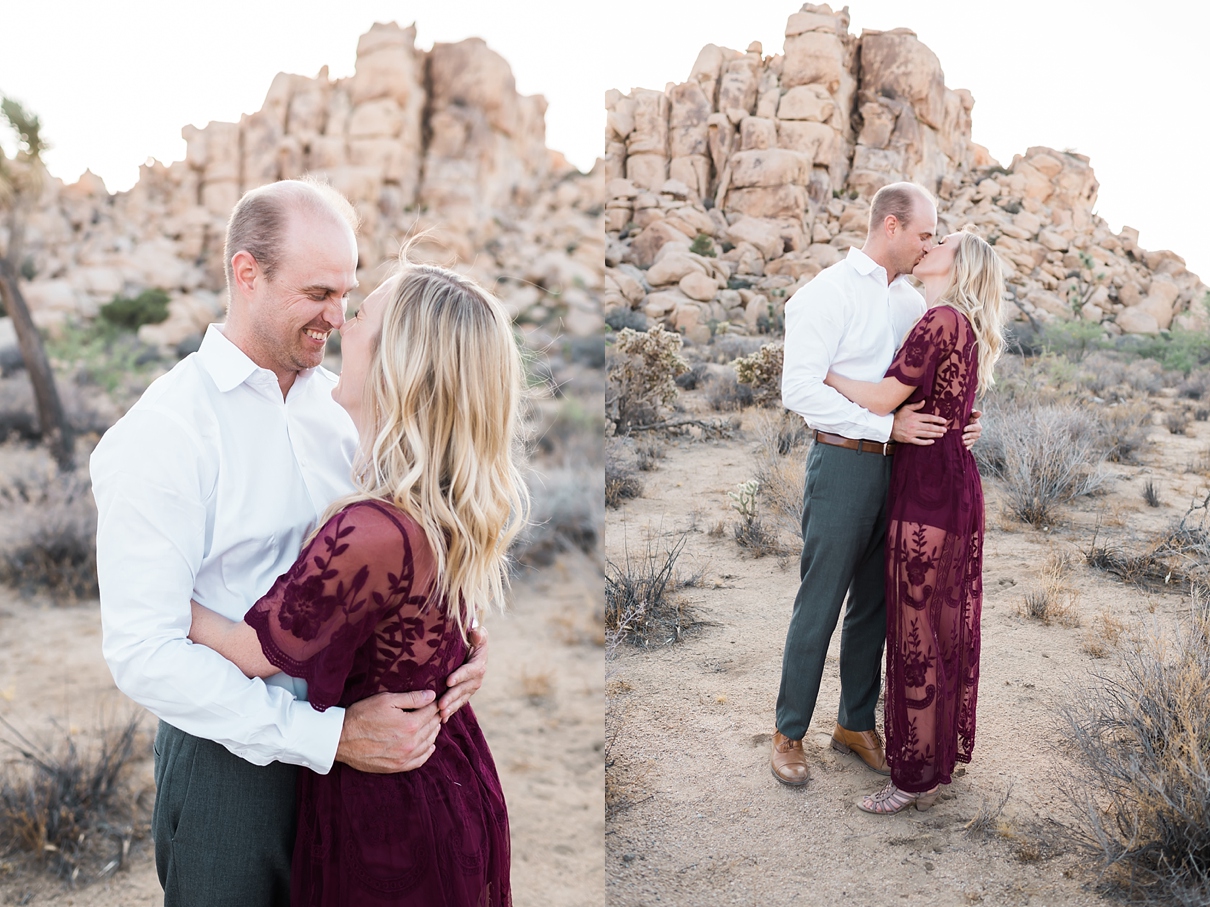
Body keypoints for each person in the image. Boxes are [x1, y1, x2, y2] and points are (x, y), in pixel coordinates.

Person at [90, 179, 489, 907]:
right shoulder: (165, 433)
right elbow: (143, 651)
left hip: (363, 760)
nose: (336, 317)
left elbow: (414, 545)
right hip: (232, 765)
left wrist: (460, 639)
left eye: (347, 293)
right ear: (247, 274)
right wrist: (325, 737)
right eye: (316, 292)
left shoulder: (352, 407)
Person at [187, 263, 526, 904]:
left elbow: (251, 653)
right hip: (448, 775)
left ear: (400, 363)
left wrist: (166, 598)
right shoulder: (436, 501)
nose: (342, 319)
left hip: (388, 806)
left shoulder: (371, 529)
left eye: (362, 313)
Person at [771, 182, 981, 787]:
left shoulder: (912, 304)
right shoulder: (824, 294)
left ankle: (855, 723)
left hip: (904, 469)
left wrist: (964, 425)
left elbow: (934, 380)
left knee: (876, 605)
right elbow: (800, 391)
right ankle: (789, 732)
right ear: (891, 226)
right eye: (923, 233)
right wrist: (883, 423)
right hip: (842, 465)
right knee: (821, 601)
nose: (928, 244)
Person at [823, 228, 1003, 813]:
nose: (930, 246)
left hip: (926, 491)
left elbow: (879, 402)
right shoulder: (965, 325)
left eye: (942, 242)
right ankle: (934, 759)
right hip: (954, 487)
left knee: (914, 633)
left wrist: (823, 373)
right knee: (940, 628)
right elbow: (959, 408)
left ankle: (910, 779)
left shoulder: (940, 320)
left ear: (959, 262)